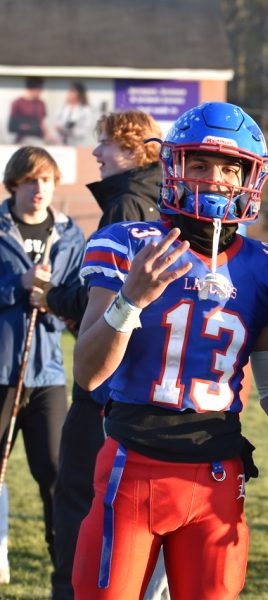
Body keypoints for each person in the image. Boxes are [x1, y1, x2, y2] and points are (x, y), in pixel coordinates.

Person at [69, 102, 268, 599]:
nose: (215, 179)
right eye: (199, 164)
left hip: (216, 475)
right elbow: (88, 374)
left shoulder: (267, 269)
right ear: (175, 166)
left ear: (251, 176)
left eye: (229, 167)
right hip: (133, 466)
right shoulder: (125, 244)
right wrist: (129, 299)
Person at [39, 110, 164, 600]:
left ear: (134, 150)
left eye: (107, 145)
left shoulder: (128, 204)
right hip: (147, 386)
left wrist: (52, 294)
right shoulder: (161, 200)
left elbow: (105, 297)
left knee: (80, 500)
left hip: (109, 388)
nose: (96, 154)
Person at [0, 146, 85, 583]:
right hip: (1, 372)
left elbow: (81, 296)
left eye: (47, 181)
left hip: (47, 374)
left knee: (57, 473)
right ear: (14, 184)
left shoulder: (69, 235)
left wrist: (58, 304)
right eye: (31, 181)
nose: (40, 189)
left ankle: (65, 573)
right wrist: (18, 284)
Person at [8, 77, 48, 144]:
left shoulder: (40, 104)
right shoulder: (17, 103)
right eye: (39, 89)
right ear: (32, 89)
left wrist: (47, 135)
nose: (41, 92)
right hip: (21, 139)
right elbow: (12, 125)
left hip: (37, 139)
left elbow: (42, 123)